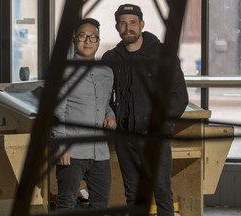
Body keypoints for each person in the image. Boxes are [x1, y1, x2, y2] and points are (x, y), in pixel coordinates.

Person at [102, 4, 189, 216]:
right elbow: (103, 96)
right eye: (123, 23)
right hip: (126, 140)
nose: (128, 27)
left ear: (141, 24)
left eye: (132, 22)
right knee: (133, 194)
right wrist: (109, 114)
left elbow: (179, 96)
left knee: (161, 192)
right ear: (116, 27)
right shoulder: (110, 59)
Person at [52, 18, 117, 210]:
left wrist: (110, 115)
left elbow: (104, 104)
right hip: (73, 151)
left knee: (101, 205)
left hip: (100, 153)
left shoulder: (106, 72)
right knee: (67, 204)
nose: (88, 41)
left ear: (98, 41)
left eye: (93, 37)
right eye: (83, 36)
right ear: (74, 40)